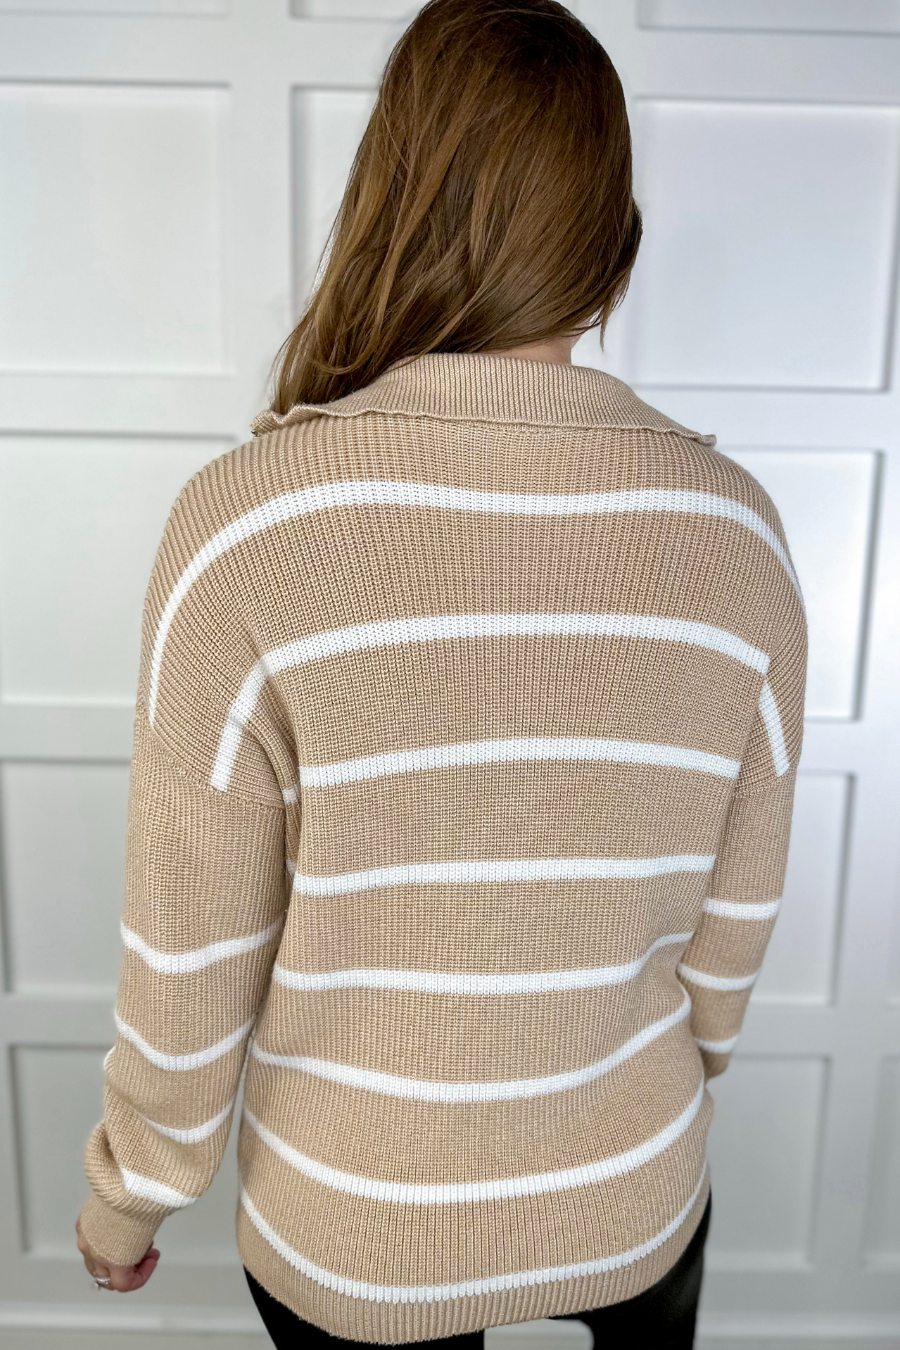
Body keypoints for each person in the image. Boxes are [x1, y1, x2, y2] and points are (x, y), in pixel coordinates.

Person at [75, 1, 807, 1346]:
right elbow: (734, 921)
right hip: (631, 1187)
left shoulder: (246, 529)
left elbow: (192, 951)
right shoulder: (738, 535)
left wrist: (133, 1194)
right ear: (613, 238)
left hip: (360, 1227)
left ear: (389, 201)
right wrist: (647, 1071)